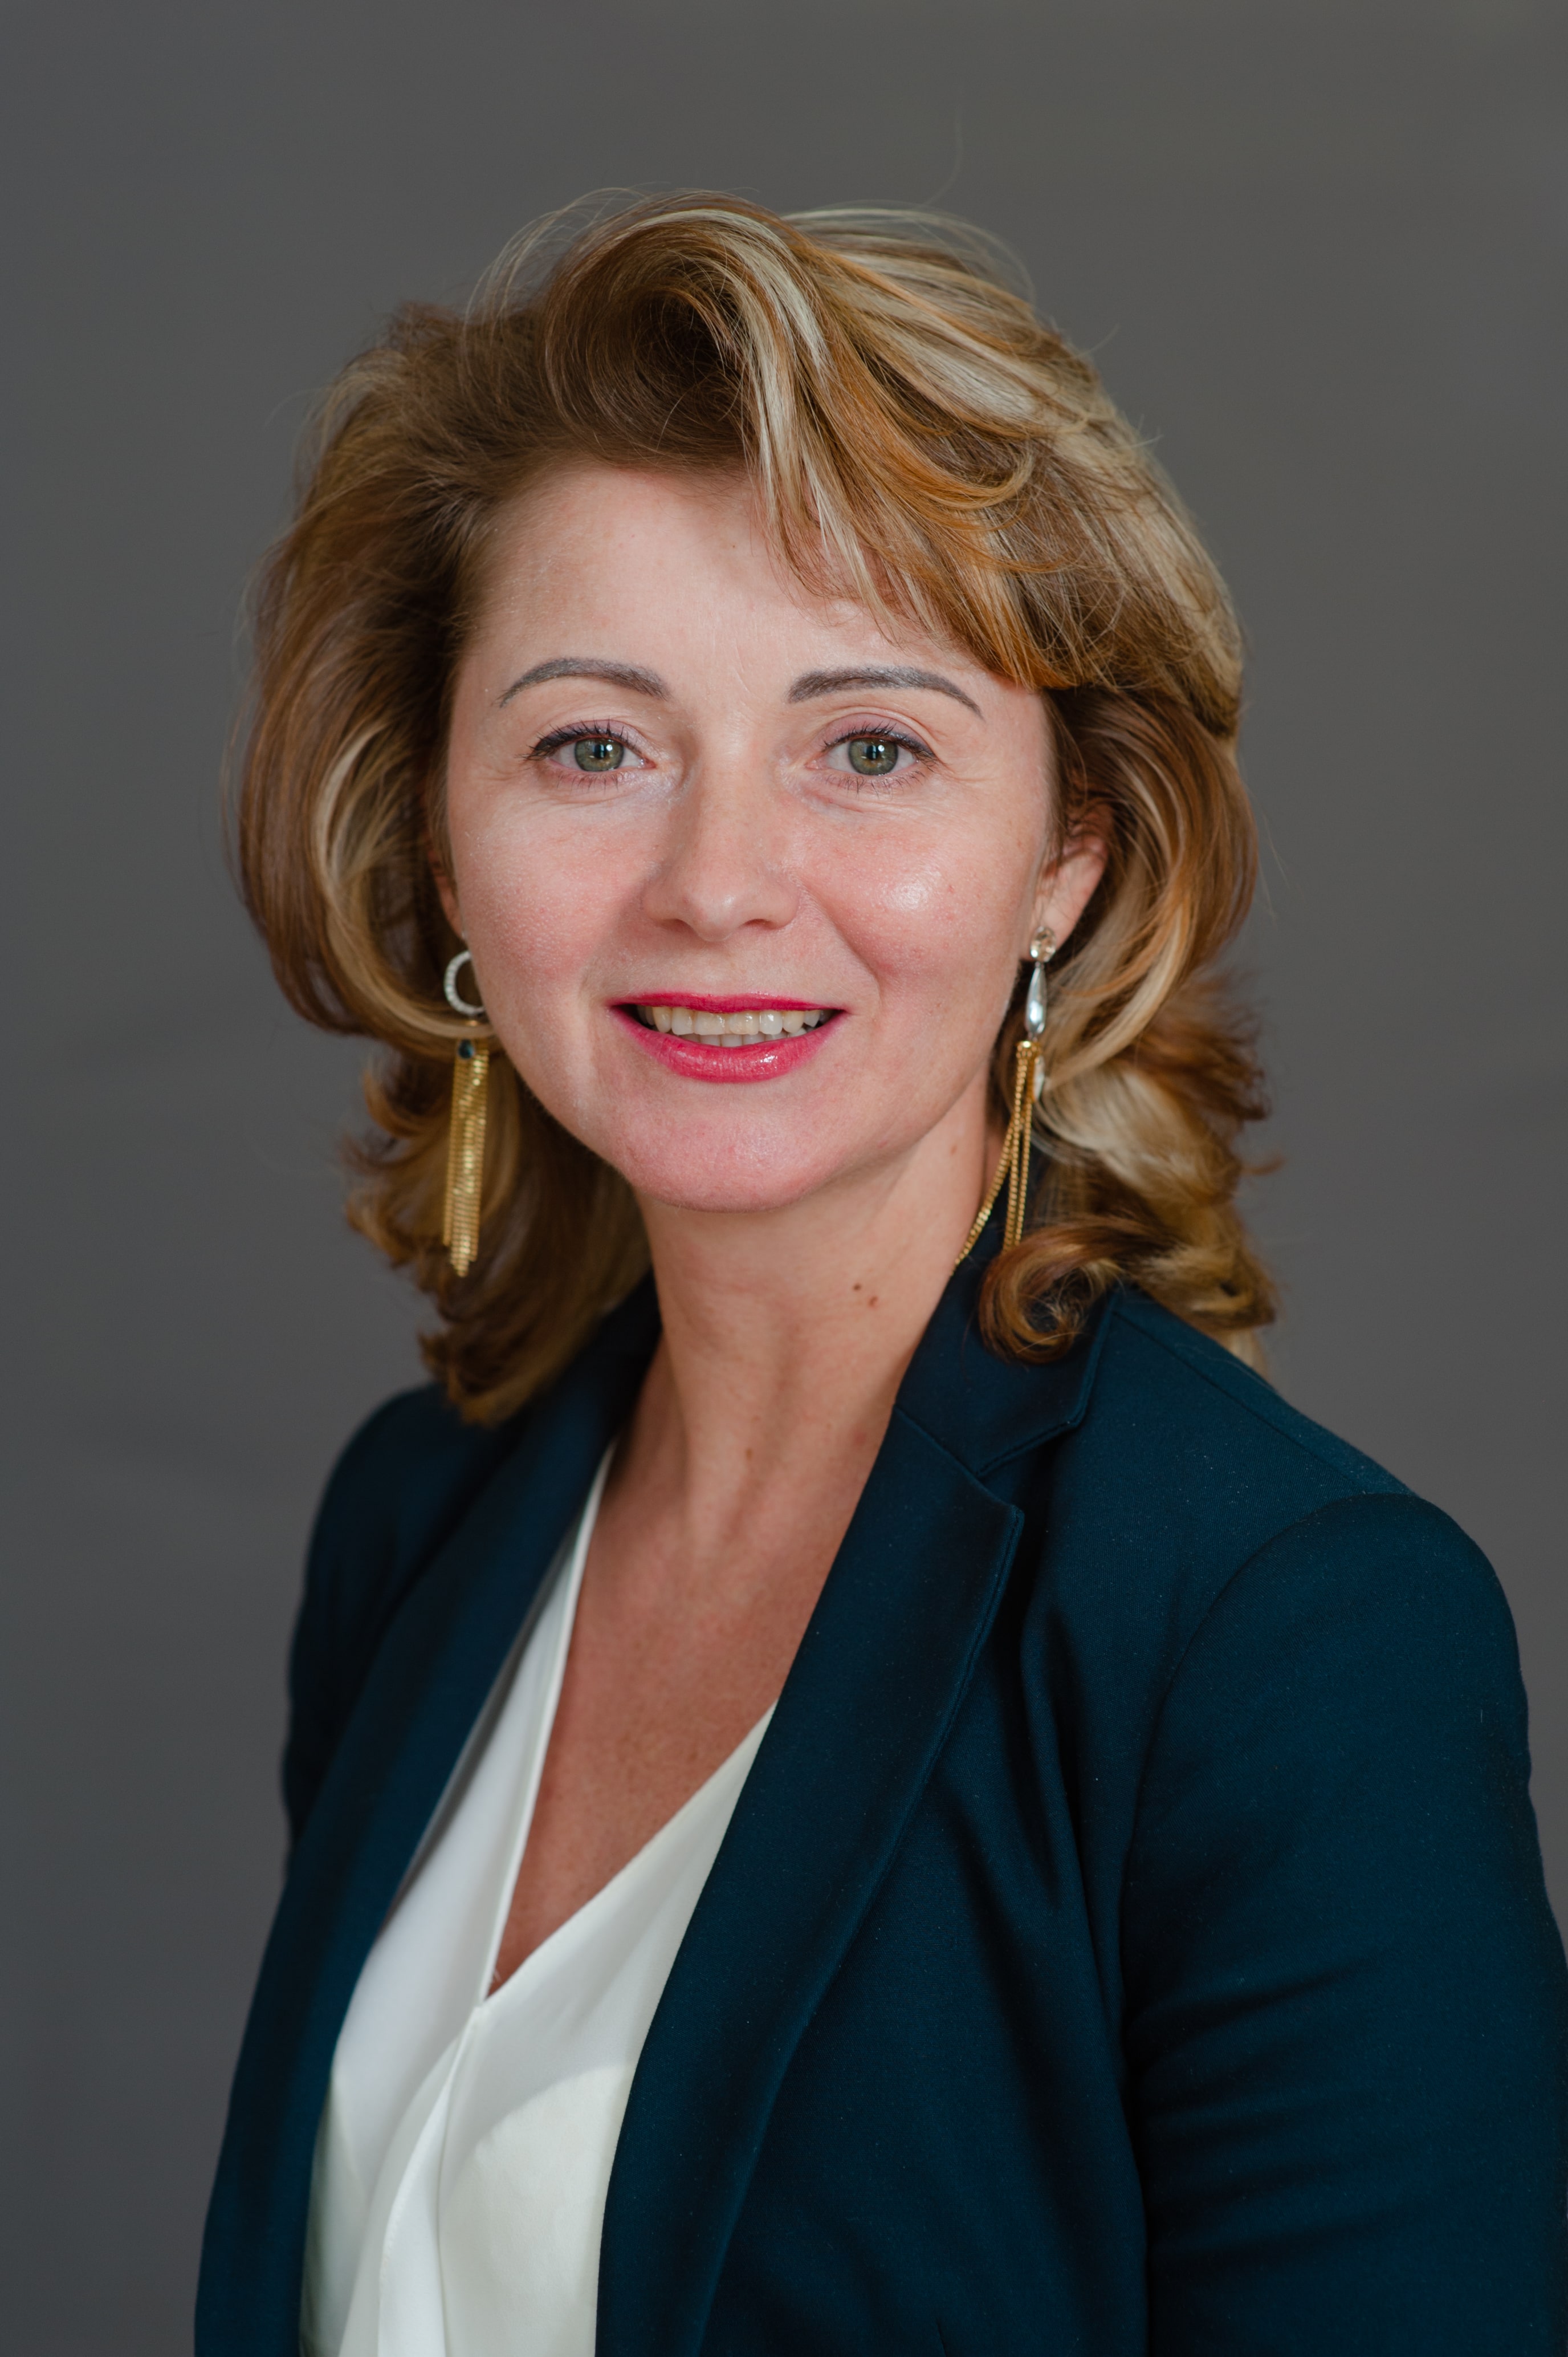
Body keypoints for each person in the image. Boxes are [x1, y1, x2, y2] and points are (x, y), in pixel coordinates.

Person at [198, 195, 1567, 2357]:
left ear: (1067, 859)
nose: (720, 882)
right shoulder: (418, 1523)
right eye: (592, 745)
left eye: (870, 747)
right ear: (443, 841)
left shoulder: (1286, 1640)